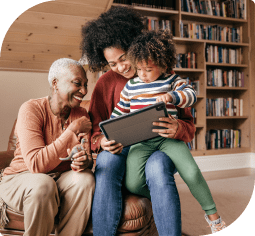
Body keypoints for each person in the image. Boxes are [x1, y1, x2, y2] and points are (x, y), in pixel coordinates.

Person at [80, 6, 195, 236]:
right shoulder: (105, 83)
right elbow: (95, 128)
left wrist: (177, 128)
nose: (121, 67)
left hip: (160, 145)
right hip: (122, 147)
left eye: (123, 58)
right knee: (106, 163)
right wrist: (101, 142)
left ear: (133, 46)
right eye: (112, 64)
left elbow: (189, 126)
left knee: (158, 166)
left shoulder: (161, 72)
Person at [111, 29, 226, 234]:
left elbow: (191, 95)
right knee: (132, 182)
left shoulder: (172, 80)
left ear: (163, 65)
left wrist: (173, 97)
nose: (142, 75)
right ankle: (163, 198)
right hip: (141, 141)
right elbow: (118, 114)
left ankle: (214, 218)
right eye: (138, 69)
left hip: (168, 139)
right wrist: (112, 133)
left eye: (148, 69)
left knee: (191, 172)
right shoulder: (130, 86)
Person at [0, 58, 95, 236]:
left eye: (85, 85)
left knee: (85, 179)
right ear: (55, 83)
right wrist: (72, 131)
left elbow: (86, 157)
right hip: (22, 178)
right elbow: (36, 165)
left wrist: (84, 162)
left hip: (59, 178)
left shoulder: (81, 113)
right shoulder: (31, 109)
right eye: (77, 83)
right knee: (43, 184)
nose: (84, 91)